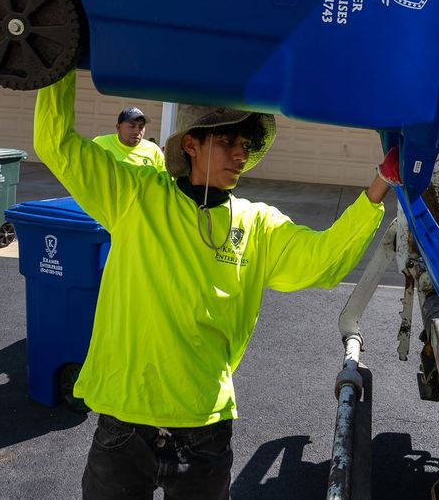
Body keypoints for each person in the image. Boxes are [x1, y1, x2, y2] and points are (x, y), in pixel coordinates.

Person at [34, 70, 399, 500]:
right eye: (228, 142)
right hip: (124, 421)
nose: (240, 154)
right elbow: (55, 143)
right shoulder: (135, 196)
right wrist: (54, 65)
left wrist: (380, 185)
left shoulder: (257, 223)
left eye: (244, 145)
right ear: (191, 144)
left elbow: (323, 263)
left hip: (203, 427)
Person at [92, 106, 167, 173]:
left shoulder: (153, 150)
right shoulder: (99, 144)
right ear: (118, 127)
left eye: (141, 126)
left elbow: (164, 179)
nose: (137, 131)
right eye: (132, 126)